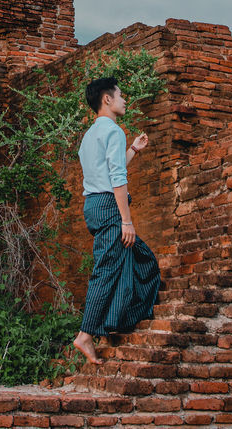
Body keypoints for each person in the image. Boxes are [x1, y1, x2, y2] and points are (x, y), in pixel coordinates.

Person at [71, 76, 162, 366]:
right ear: (107, 99)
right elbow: (116, 179)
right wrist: (127, 220)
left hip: (93, 205)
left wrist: (133, 150)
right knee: (106, 269)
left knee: (142, 261)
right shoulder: (112, 130)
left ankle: (113, 322)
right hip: (110, 207)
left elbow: (110, 168)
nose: (124, 100)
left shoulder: (90, 135)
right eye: (121, 95)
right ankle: (86, 334)